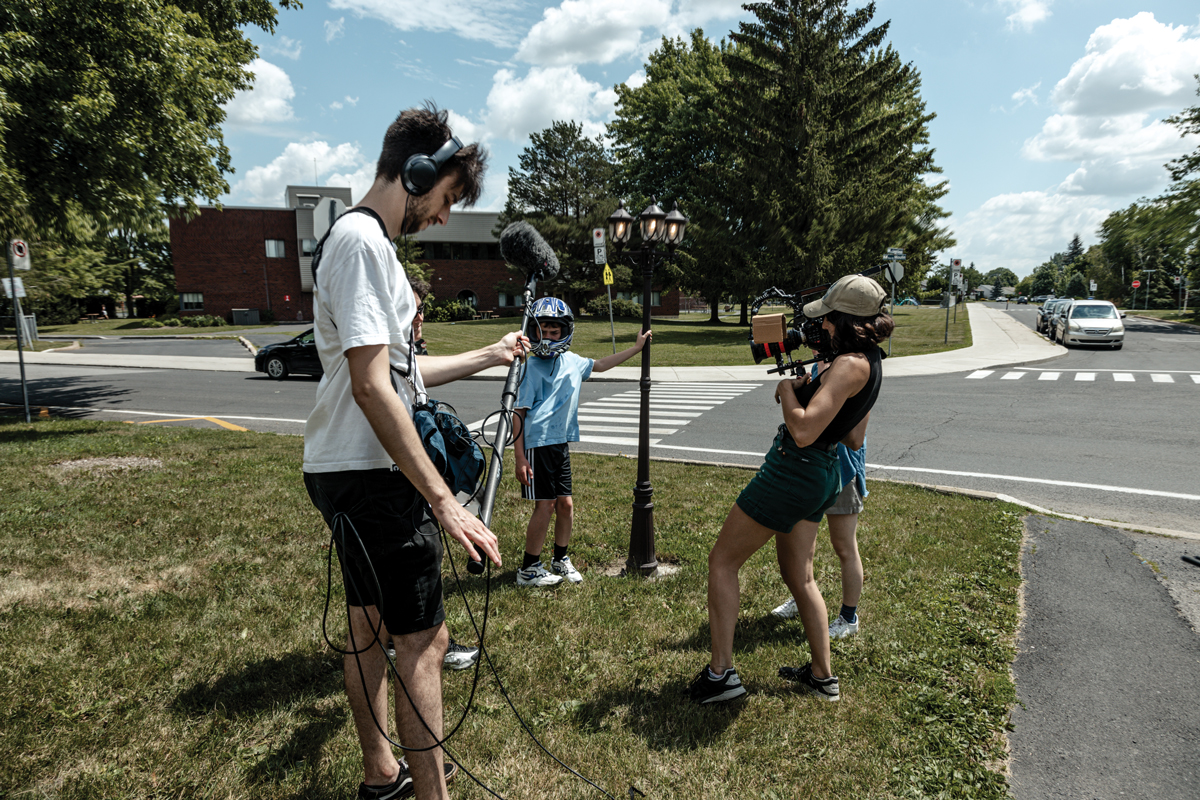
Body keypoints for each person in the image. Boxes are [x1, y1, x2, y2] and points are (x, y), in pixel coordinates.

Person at [303, 104, 526, 800]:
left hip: (343, 467)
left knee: (368, 629)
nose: (443, 217)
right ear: (418, 171)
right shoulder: (365, 244)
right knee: (424, 644)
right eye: (447, 198)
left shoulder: (357, 242)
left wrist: (486, 355)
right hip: (376, 476)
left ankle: (382, 774)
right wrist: (443, 502)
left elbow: (397, 374)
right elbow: (374, 389)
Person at [689, 275, 893, 705]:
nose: (822, 329)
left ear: (843, 320)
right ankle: (823, 677)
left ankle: (721, 675)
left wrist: (787, 392)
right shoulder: (871, 361)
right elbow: (854, 438)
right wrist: (816, 388)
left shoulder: (847, 365)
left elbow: (801, 430)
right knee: (799, 576)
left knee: (722, 562)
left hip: (793, 469)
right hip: (823, 472)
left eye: (828, 321)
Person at [511, 297, 651, 587]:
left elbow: (599, 364)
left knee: (566, 505)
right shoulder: (529, 367)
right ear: (533, 333)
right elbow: (518, 414)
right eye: (542, 332)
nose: (548, 338)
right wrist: (520, 457)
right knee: (545, 506)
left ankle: (560, 559)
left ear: (565, 332)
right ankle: (529, 568)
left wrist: (636, 349)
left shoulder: (573, 361)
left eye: (554, 332)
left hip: (560, 443)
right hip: (537, 445)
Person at [771, 420, 868, 641]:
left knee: (844, 546)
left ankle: (848, 618)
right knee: (802, 545)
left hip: (842, 469)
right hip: (808, 467)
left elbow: (855, 438)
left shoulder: (858, 383)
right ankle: (802, 598)